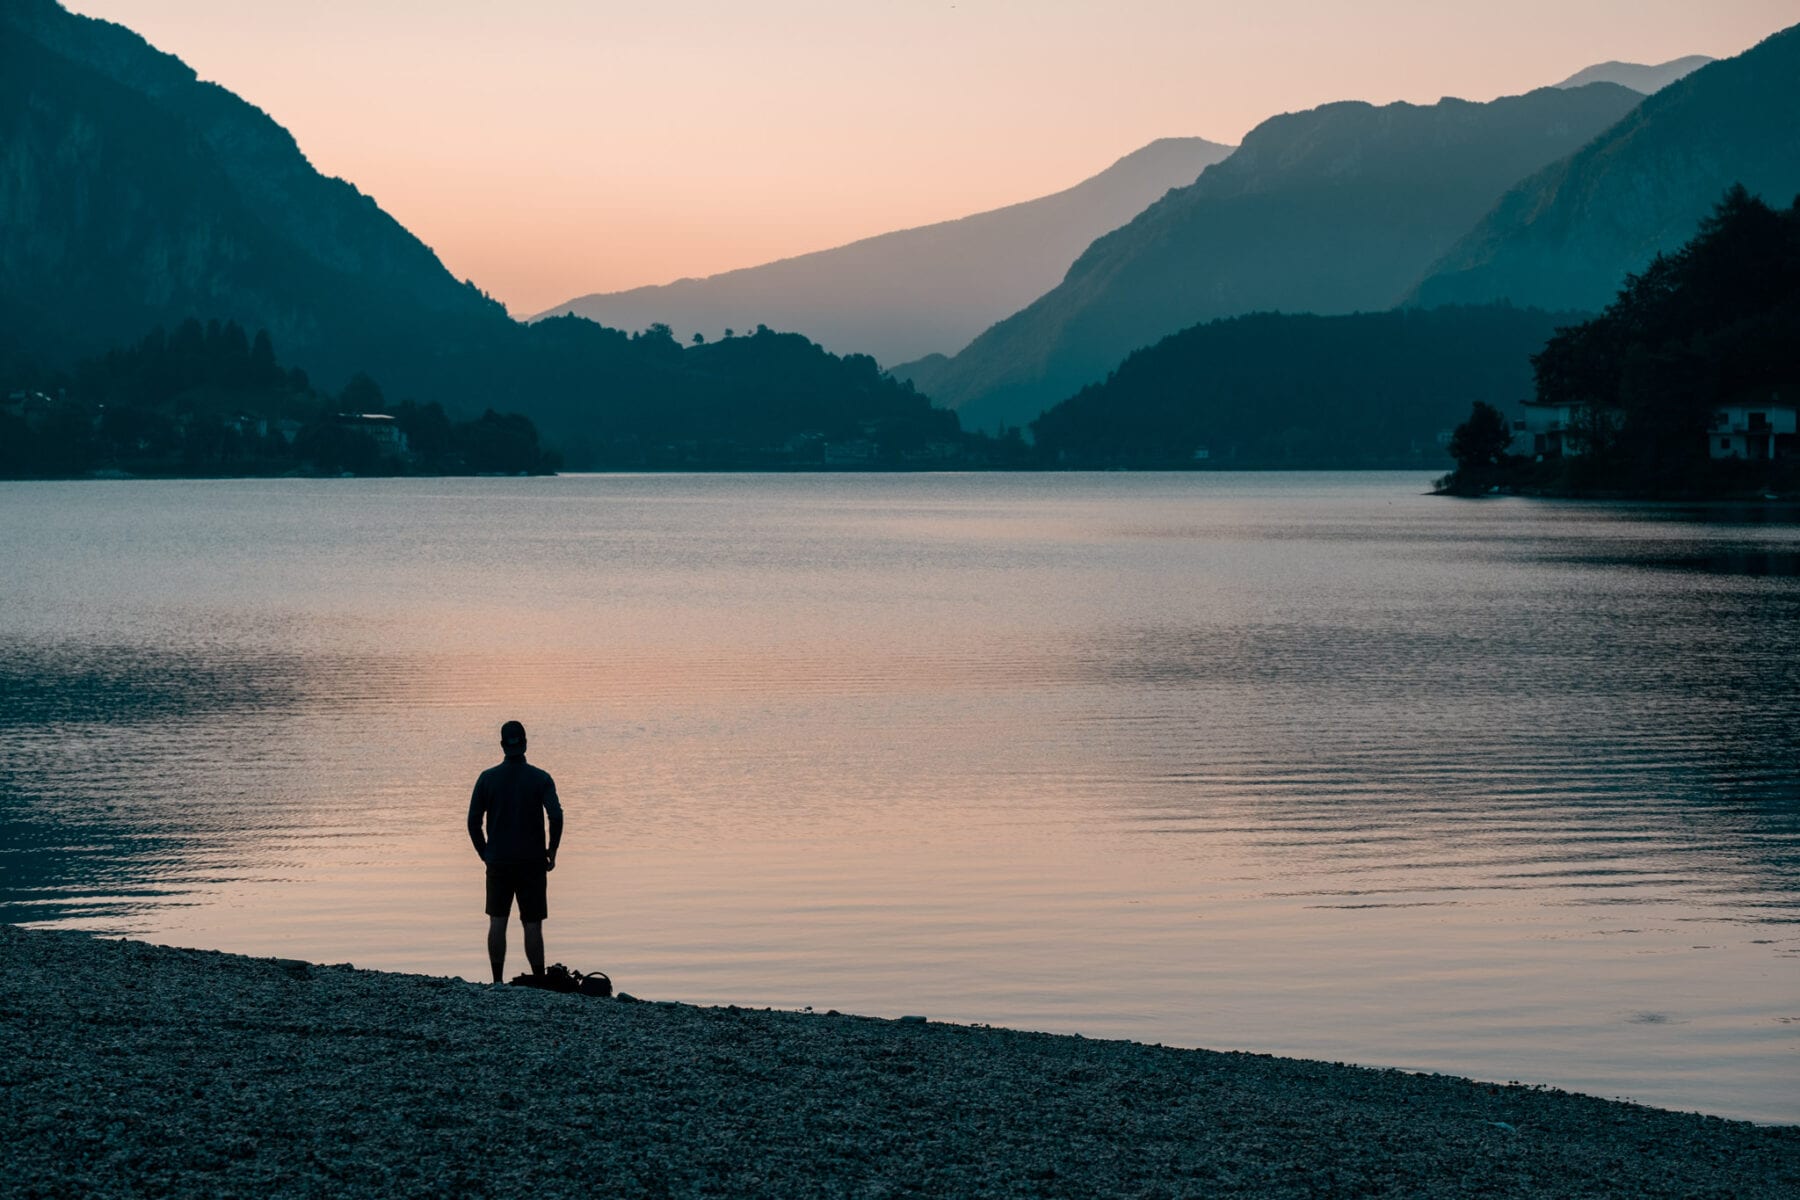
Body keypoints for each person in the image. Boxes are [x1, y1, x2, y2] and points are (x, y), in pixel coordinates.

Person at [467, 720, 563, 983]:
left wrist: (484, 853)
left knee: (497, 920)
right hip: (532, 861)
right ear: (525, 744)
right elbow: (555, 816)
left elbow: (473, 821)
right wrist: (552, 850)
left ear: (502, 745)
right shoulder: (541, 778)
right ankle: (539, 980)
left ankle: (497, 981)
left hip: (498, 860)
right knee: (532, 923)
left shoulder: (487, 779)